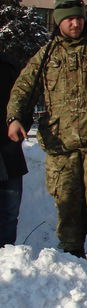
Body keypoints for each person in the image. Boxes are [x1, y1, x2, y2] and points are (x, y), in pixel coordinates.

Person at [6, 0, 87, 280]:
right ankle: (73, 263)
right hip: (61, 145)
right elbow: (23, 89)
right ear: (58, 22)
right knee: (67, 206)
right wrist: (15, 118)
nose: (75, 22)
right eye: (69, 18)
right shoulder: (46, 54)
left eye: (79, 17)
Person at [0, 54, 27, 247]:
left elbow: (25, 100)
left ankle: (7, 259)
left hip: (9, 150)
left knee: (10, 211)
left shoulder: (8, 65)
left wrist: (21, 124)